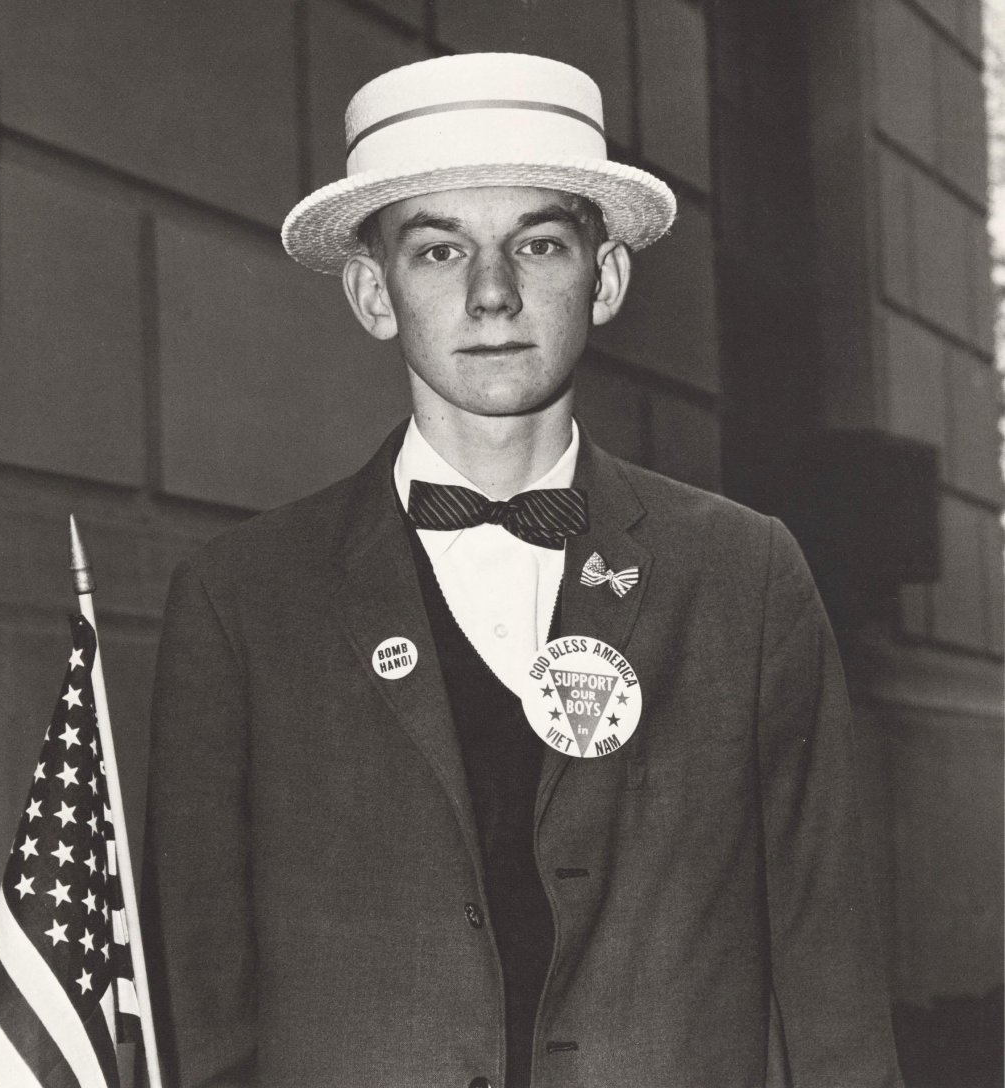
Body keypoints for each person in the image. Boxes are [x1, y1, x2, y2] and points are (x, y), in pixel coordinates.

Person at [141, 52, 903, 1088]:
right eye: (438, 250)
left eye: (538, 244)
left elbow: (831, 986)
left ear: (606, 278)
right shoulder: (242, 601)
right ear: (371, 292)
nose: (492, 294)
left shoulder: (744, 577)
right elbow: (199, 1014)